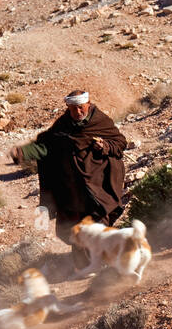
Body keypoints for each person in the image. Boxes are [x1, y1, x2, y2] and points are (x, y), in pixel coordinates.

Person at [10, 90, 128, 267]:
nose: (77, 112)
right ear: (68, 107)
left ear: (88, 104)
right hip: (71, 188)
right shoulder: (62, 125)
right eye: (73, 109)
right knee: (75, 226)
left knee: (98, 222)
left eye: (80, 108)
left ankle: (105, 263)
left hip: (97, 184)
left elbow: (120, 142)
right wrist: (23, 152)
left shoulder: (100, 122)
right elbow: (45, 145)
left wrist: (104, 146)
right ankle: (83, 266)